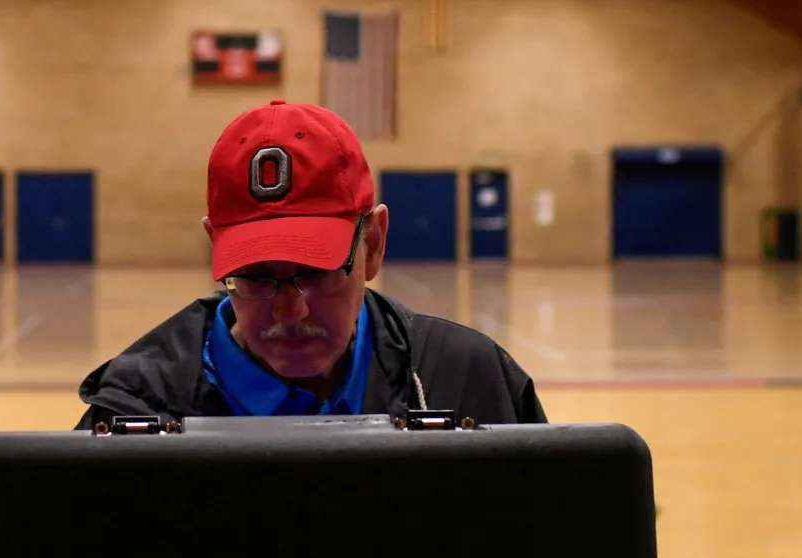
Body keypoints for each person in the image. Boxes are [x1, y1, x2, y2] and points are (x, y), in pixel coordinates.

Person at [78, 101, 547, 428]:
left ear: (374, 245)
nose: (289, 311)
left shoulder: (468, 383)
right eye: (256, 277)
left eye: (317, 272)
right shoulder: (129, 410)